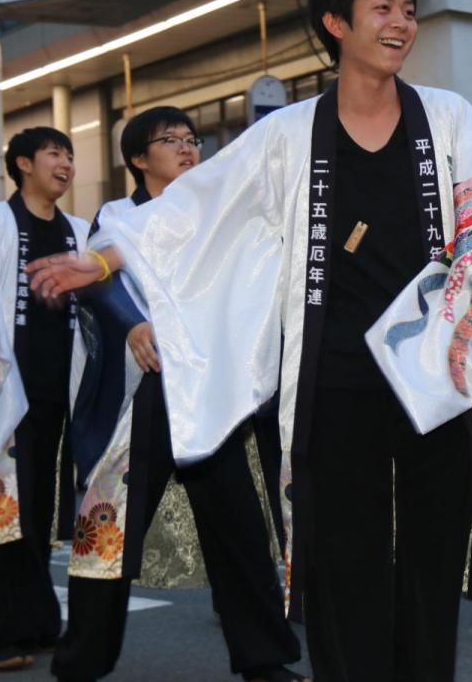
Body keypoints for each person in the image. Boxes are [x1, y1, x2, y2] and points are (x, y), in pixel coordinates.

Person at [28, 0, 472, 682]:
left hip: (435, 381)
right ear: (336, 24)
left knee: (430, 566)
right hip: (331, 386)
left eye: (408, 9)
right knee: (341, 571)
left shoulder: (450, 119)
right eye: (382, 8)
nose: (401, 22)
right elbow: (197, 211)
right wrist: (106, 259)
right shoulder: (289, 134)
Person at [51, 107, 303, 682]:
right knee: (108, 530)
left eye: (194, 140)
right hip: (144, 397)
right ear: (139, 158)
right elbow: (99, 282)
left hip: (212, 398)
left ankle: (265, 661)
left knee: (240, 529)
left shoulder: (217, 214)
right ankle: (79, 664)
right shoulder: (118, 216)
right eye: (171, 140)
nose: (189, 149)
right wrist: (133, 324)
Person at [0, 126, 90, 670]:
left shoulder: (80, 230)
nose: (66, 163)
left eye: (70, 155)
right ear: (24, 164)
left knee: (41, 509)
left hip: (63, 388)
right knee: (5, 506)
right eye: (55, 153)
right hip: (6, 382)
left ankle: (36, 621)